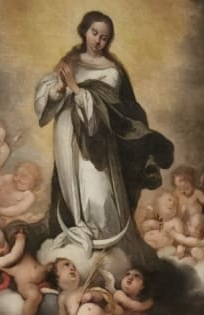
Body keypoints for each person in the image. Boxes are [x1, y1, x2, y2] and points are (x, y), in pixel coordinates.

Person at [35, 11, 173, 247]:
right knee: (69, 182)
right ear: (85, 31)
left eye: (104, 37)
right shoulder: (70, 61)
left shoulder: (111, 71)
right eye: (94, 33)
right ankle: (77, 234)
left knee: (96, 190)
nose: (98, 40)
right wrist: (59, 87)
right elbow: (48, 99)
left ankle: (104, 241)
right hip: (66, 130)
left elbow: (104, 109)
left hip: (94, 137)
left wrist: (76, 89)